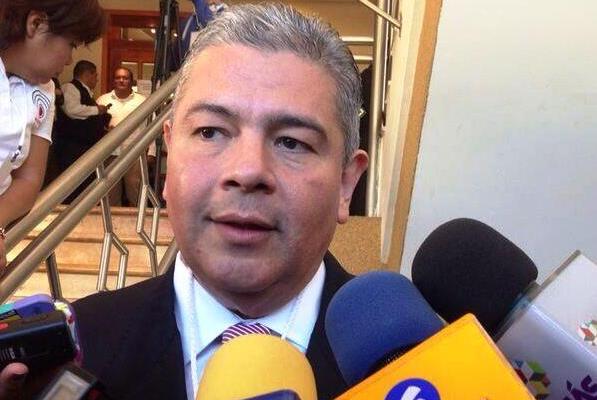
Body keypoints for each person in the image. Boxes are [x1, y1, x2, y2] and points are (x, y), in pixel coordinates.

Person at [0, 4, 368, 400]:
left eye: (291, 142)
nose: (247, 171)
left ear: (346, 183)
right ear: (170, 151)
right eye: (211, 132)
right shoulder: (77, 353)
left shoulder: (409, 366)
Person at [0, 1, 104, 272]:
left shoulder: (43, 91)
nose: (69, 60)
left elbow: (29, 179)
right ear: (35, 24)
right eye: (71, 45)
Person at [55, 60, 110, 202]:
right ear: (87, 74)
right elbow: (72, 110)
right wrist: (97, 110)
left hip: (84, 149)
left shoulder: (86, 92)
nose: (97, 80)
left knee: (85, 185)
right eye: (95, 76)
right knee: (73, 186)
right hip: (72, 149)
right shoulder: (70, 88)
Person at [97, 67, 147, 206]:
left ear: (131, 81)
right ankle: (112, 220)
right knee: (110, 194)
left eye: (125, 78)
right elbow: (94, 129)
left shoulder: (142, 101)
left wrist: (152, 152)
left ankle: (137, 219)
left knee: (135, 192)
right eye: (118, 77)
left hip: (134, 153)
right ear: (113, 80)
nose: (121, 80)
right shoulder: (102, 100)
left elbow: (151, 125)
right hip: (109, 154)